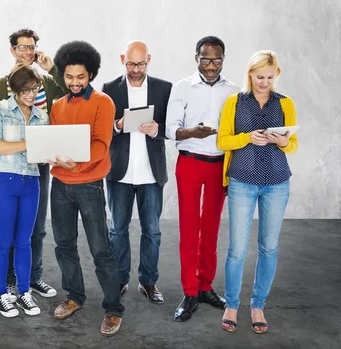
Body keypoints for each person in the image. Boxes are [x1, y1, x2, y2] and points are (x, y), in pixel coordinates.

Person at [217, 50, 298, 334]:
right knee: (237, 249)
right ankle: (231, 305)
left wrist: (284, 142)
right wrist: (246, 137)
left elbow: (294, 143)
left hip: (277, 181)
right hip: (242, 180)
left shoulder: (285, 103)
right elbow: (222, 140)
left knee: (269, 247)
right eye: (259, 76)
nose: (264, 82)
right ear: (250, 74)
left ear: (276, 75)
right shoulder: (234, 102)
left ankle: (258, 305)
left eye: (269, 77)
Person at [49, 40, 125, 337]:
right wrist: (56, 161)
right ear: (62, 75)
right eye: (69, 77)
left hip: (90, 185)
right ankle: (74, 296)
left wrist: (75, 168)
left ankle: (113, 308)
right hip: (60, 186)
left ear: (90, 74)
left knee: (100, 250)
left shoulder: (103, 102)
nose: (75, 82)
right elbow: (55, 142)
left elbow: (101, 145)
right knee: (64, 245)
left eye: (81, 77)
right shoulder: (57, 106)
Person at [0, 28, 65, 300]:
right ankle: (8, 282)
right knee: (7, 231)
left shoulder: (46, 82)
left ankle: (33, 278)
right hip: (7, 167)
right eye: (22, 47)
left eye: (31, 47)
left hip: (37, 168)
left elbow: (70, 97)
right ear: (12, 50)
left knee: (36, 227)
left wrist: (52, 69)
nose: (27, 52)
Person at [165, 36, 239, 322]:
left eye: (217, 60)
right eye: (205, 59)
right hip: (191, 163)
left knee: (210, 229)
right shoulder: (182, 87)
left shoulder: (234, 90)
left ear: (223, 59)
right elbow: (172, 129)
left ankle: (206, 286)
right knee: (189, 228)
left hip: (220, 165)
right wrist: (192, 132)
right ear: (196, 58)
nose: (211, 66)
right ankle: (190, 291)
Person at [102, 41, 172, 303]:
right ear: (123, 59)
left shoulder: (164, 88)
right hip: (120, 172)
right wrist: (118, 125)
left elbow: (173, 125)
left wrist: (158, 129)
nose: (135, 69)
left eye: (141, 64)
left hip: (151, 173)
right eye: (130, 64)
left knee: (152, 231)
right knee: (117, 230)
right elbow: (102, 130)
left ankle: (148, 281)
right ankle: (121, 279)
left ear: (149, 60)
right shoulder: (110, 89)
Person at [0, 64, 49, 318]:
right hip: (4, 182)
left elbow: (41, 154)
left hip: (31, 182)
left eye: (35, 89)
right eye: (26, 90)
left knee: (25, 241)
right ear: (14, 89)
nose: (31, 95)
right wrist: (29, 142)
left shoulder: (42, 116)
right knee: (4, 242)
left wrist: (53, 152)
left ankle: (24, 293)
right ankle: (2, 294)